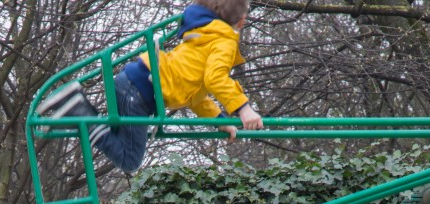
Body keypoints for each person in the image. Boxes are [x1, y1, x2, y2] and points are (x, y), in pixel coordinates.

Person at [37, 0, 263, 173]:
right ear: (241, 21)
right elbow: (216, 79)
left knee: (116, 138)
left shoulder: (204, 34)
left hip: (134, 83)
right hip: (139, 91)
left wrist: (219, 120)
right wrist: (243, 109)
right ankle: (79, 111)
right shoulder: (224, 41)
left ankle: (73, 113)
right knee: (129, 160)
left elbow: (195, 93)